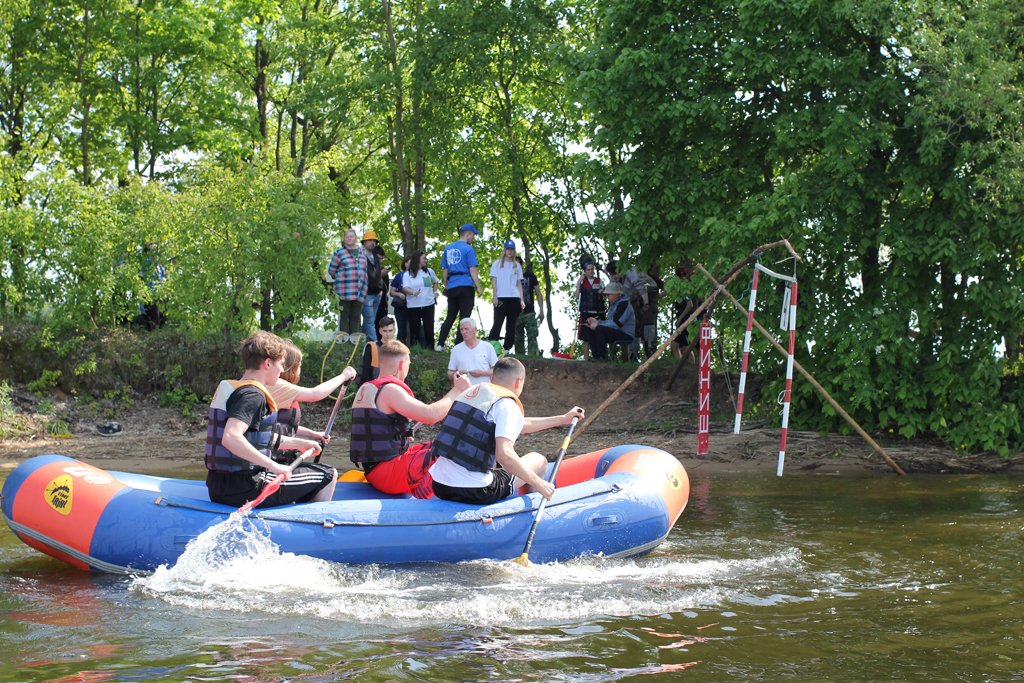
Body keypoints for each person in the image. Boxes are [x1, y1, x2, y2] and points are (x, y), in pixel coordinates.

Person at [204, 331, 336, 508]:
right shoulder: (253, 395)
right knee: (328, 474)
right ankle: (307, 522)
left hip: (218, 488)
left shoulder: (237, 389)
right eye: (281, 364)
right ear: (267, 363)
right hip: (248, 488)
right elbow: (230, 437)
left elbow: (260, 438)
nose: (282, 370)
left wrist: (301, 443)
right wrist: (275, 466)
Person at [428, 357, 585, 505]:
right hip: (476, 491)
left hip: (440, 485)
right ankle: (527, 509)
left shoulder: (471, 393)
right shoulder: (507, 404)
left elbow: (518, 424)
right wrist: (540, 483)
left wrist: (563, 418)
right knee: (539, 460)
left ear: (492, 378)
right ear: (519, 381)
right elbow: (505, 455)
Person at [350, 340, 472, 498]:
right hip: (384, 473)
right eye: (408, 364)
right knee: (447, 452)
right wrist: (457, 390)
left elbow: (376, 428)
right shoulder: (390, 389)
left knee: (441, 444)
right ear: (402, 364)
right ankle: (419, 504)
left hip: (376, 467)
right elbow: (431, 415)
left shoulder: (366, 388)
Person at [268, 340, 357, 462]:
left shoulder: (284, 390)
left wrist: (312, 434)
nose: (300, 370)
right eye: (299, 366)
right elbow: (316, 394)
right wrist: (344, 376)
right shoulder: (277, 386)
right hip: (271, 459)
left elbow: (285, 425)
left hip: (281, 457)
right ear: (291, 367)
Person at [436, 223, 484, 350]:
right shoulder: (469, 249)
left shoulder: (448, 248)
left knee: (450, 316)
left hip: (452, 285)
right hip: (466, 285)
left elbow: (445, 269)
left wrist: (446, 285)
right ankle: (458, 346)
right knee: (465, 317)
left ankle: (440, 344)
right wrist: (478, 287)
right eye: (473, 235)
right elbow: (472, 269)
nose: (473, 238)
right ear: (468, 234)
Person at [582, 281, 635, 362]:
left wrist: (598, 324)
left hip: (625, 334)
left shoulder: (624, 304)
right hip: (617, 331)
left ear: (616, 294)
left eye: (608, 294)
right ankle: (596, 357)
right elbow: (611, 323)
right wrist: (596, 323)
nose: (606, 296)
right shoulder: (615, 304)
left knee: (599, 329)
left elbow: (616, 324)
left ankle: (602, 357)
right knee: (590, 329)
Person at [328, 228, 368, 334]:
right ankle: (343, 338)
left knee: (356, 315)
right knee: (344, 315)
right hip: (344, 290)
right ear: (344, 239)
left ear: (356, 238)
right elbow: (332, 271)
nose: (349, 238)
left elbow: (365, 269)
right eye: (347, 237)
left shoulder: (363, 252)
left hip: (360, 290)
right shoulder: (339, 253)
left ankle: (354, 338)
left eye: (351, 236)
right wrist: (341, 278)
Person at [488, 240, 525, 353]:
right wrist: (495, 296)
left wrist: (522, 300)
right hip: (501, 297)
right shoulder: (497, 263)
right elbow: (494, 281)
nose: (509, 251)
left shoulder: (517, 265)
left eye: (512, 249)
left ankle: (507, 348)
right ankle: (492, 345)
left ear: (514, 251)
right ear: (504, 250)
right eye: (508, 249)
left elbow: (519, 283)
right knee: (497, 322)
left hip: (514, 297)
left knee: (511, 325)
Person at [402, 249, 440, 350]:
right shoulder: (408, 274)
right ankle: (415, 348)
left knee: (429, 327)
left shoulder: (429, 271)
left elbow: (436, 281)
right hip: (413, 305)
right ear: (418, 259)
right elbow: (405, 288)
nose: (425, 260)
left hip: (428, 304)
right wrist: (413, 292)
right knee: (415, 328)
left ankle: (430, 348)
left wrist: (435, 293)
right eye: (424, 258)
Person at [448, 318, 498, 385]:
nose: (463, 332)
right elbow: (449, 373)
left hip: (483, 389)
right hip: (464, 390)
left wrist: (482, 373)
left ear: (475, 330)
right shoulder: (456, 349)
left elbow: (497, 370)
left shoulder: (487, 346)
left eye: (466, 329)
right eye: (461, 329)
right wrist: (457, 373)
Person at [573, 261, 605, 360]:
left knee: (599, 336)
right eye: (588, 270)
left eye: (592, 269)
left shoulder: (599, 281)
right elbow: (576, 296)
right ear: (585, 271)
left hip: (598, 313)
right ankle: (586, 359)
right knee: (586, 338)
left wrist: (602, 291)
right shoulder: (582, 282)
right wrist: (579, 282)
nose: (590, 271)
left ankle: (601, 357)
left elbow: (606, 292)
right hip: (586, 313)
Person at [514, 255, 544, 356]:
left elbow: (538, 294)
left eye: (518, 264)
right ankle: (520, 358)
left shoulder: (530, 276)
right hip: (516, 312)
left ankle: (533, 358)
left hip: (529, 311)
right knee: (517, 338)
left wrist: (541, 311)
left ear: (522, 265)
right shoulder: (510, 277)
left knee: (532, 336)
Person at [356, 316, 397, 387]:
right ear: (380, 331)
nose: (388, 334)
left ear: (394, 330)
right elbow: (365, 371)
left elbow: (404, 374)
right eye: (385, 331)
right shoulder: (371, 348)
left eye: (390, 331)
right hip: (374, 387)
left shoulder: (398, 349)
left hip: (393, 387)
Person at [361, 231, 384, 341]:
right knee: (370, 321)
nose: (372, 242)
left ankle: (360, 342)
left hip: (377, 294)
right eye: (370, 240)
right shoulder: (360, 256)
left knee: (369, 321)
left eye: (374, 241)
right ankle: (375, 345)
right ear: (364, 242)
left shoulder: (375, 257)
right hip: (367, 294)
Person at [390, 254, 412, 344]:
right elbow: (392, 292)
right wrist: (399, 294)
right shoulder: (399, 276)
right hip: (401, 305)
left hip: (414, 305)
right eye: (411, 262)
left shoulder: (417, 276)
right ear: (405, 264)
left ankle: (416, 346)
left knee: (416, 326)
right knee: (401, 327)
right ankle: (400, 346)